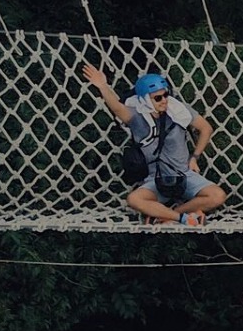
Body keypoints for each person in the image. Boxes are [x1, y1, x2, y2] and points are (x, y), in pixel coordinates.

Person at [81, 64, 227, 226]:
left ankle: (166, 216)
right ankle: (184, 218)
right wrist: (102, 86)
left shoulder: (178, 111)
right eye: (158, 98)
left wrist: (195, 157)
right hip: (155, 178)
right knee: (134, 199)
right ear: (145, 99)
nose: (164, 100)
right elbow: (116, 108)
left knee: (217, 195)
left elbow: (206, 128)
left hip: (184, 174)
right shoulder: (137, 117)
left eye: (165, 95)